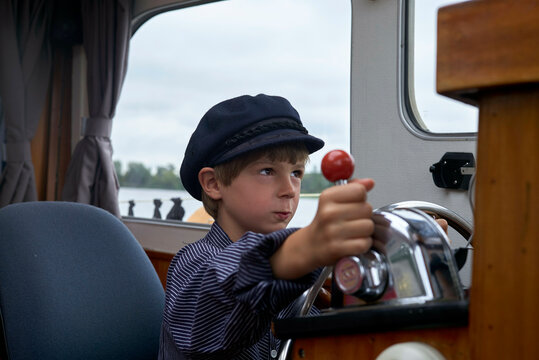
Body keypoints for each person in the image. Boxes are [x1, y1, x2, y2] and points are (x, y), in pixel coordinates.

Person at [159, 94, 375, 359]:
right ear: (214, 184)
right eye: (267, 171)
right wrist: (302, 250)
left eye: (296, 173)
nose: (289, 190)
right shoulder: (192, 265)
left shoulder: (302, 280)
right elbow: (215, 302)